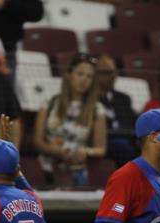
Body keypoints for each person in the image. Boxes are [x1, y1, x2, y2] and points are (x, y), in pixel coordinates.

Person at [33, 52, 107, 186]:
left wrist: (85, 151)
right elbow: (38, 141)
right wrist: (60, 151)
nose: (84, 79)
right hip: (47, 169)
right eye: (80, 74)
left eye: (89, 76)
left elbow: (101, 148)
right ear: (68, 75)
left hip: (78, 172)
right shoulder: (49, 103)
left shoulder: (97, 109)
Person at [95, 54, 136, 166]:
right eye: (107, 72)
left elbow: (131, 124)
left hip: (128, 145)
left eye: (114, 71)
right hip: (104, 143)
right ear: (95, 73)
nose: (113, 76)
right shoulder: (89, 101)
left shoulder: (123, 99)